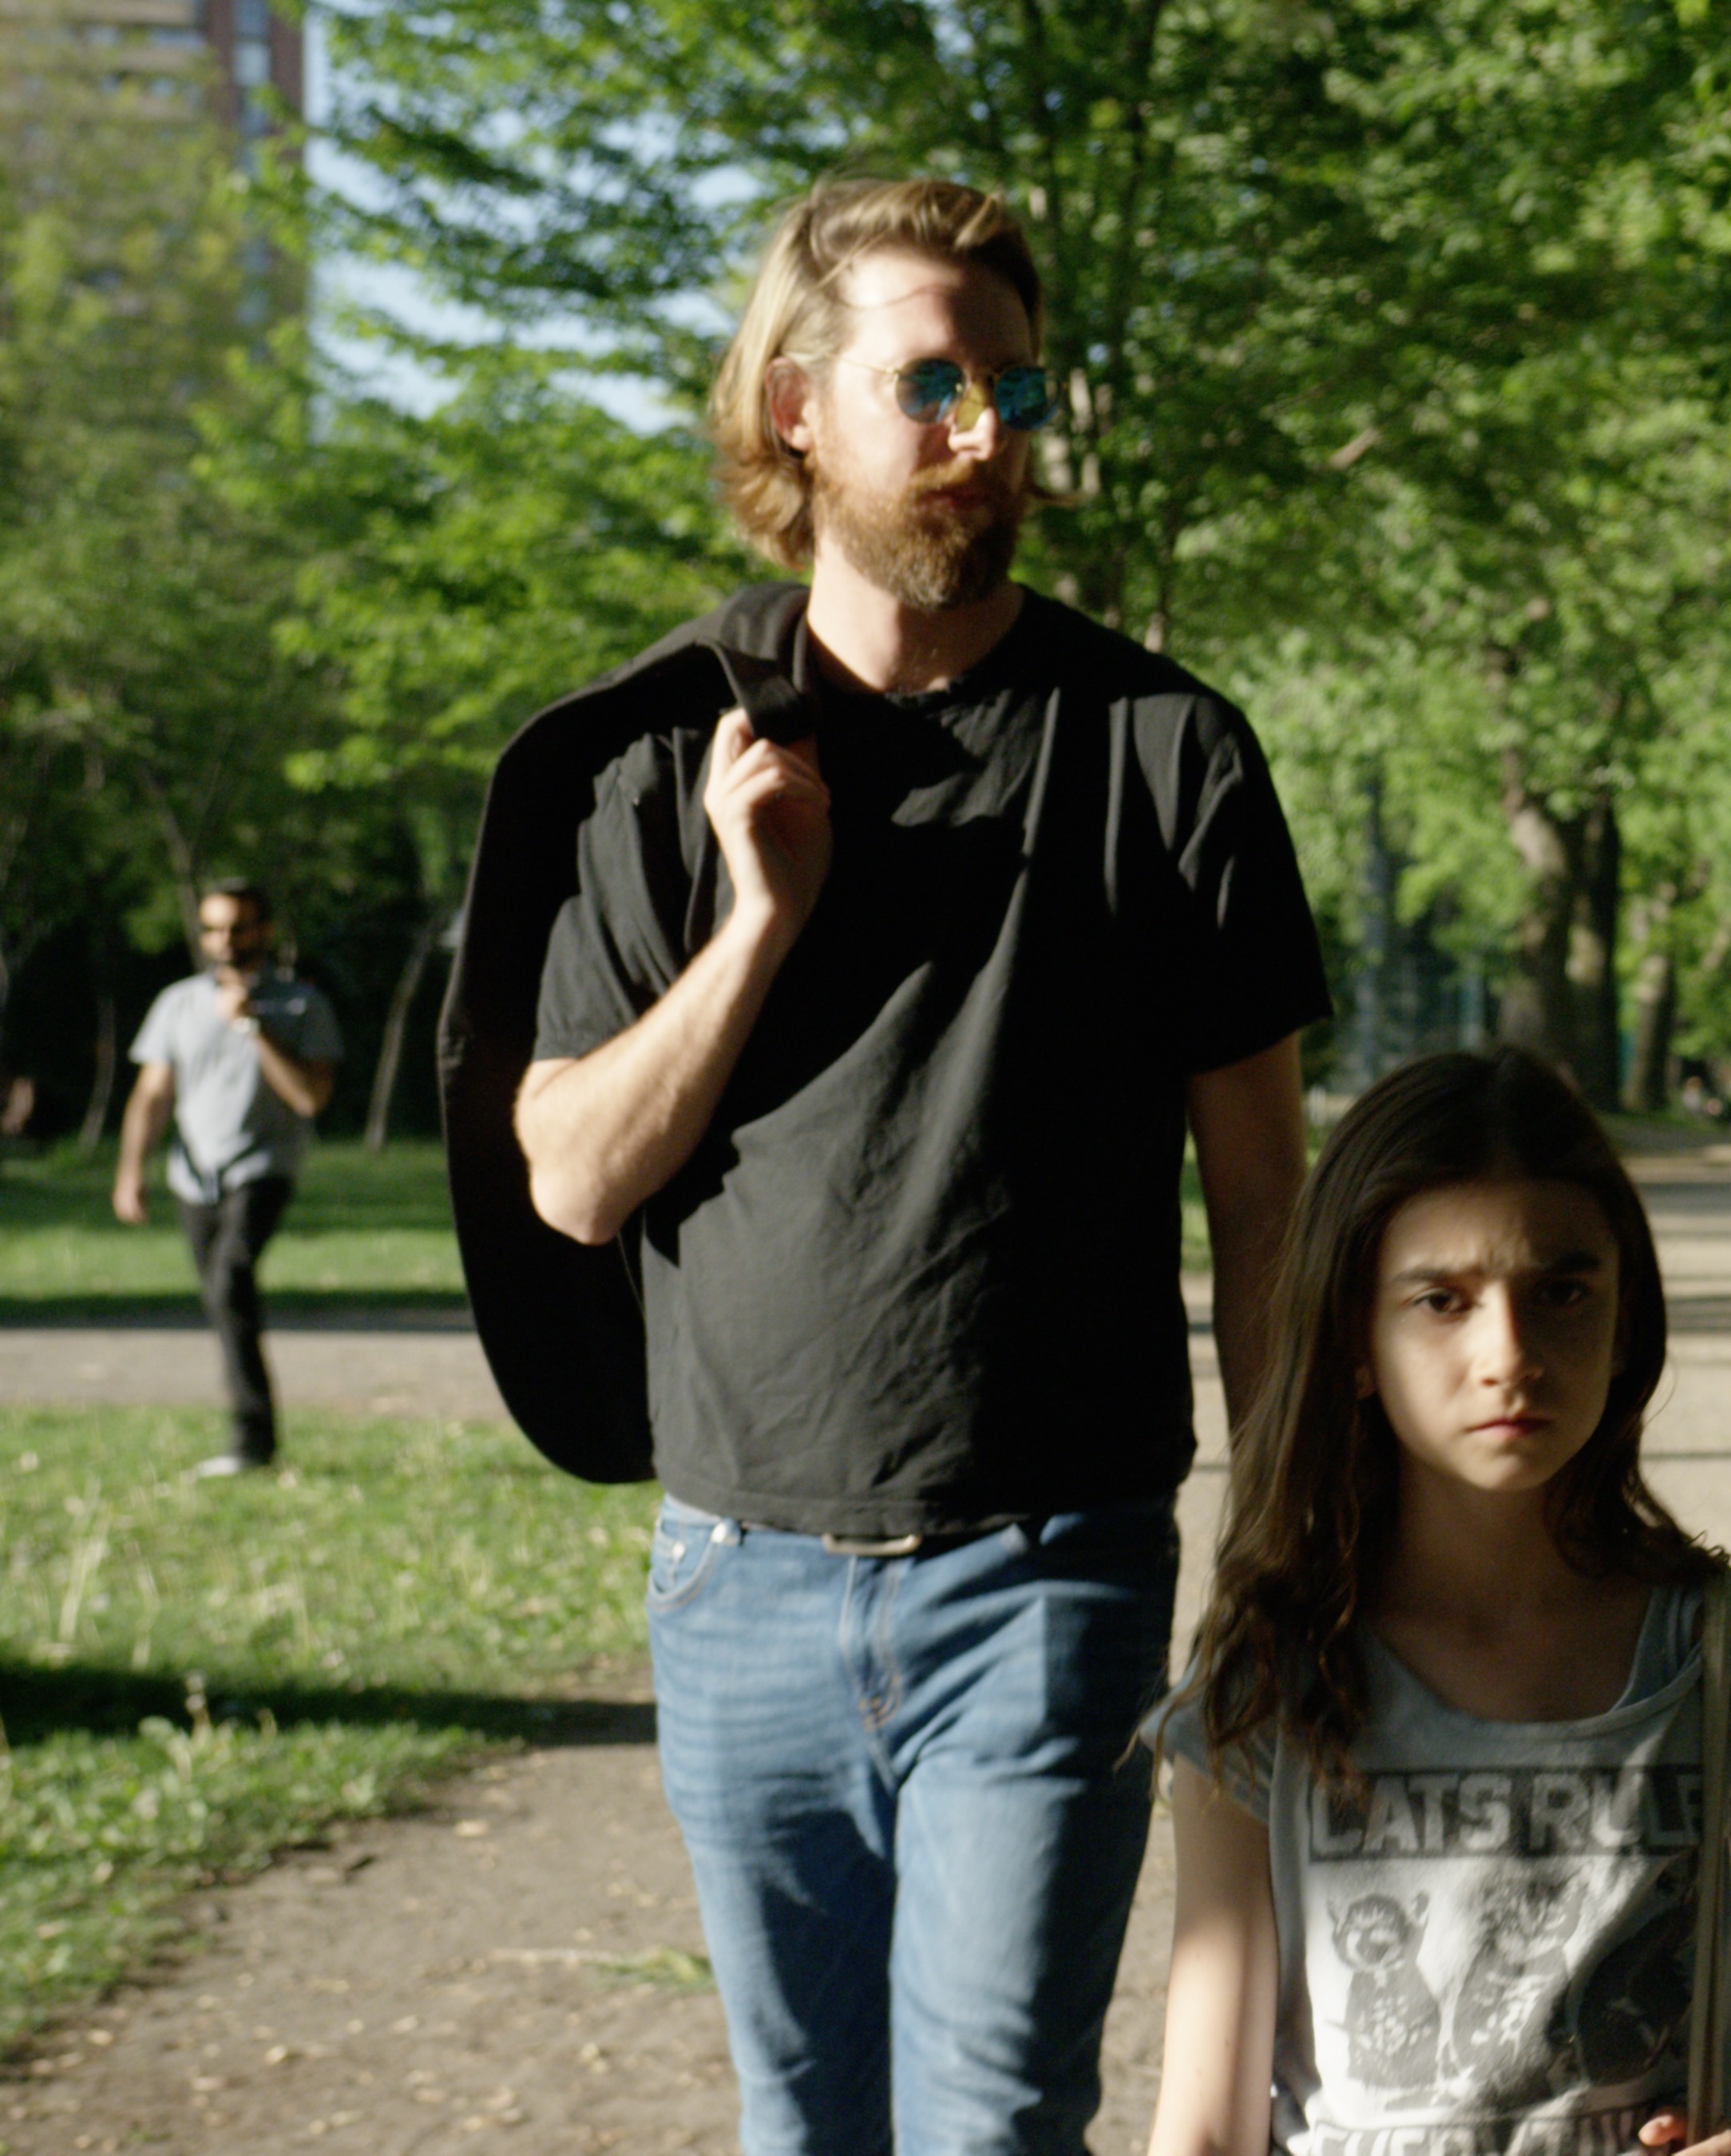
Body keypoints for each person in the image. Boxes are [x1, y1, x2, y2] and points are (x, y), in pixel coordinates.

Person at [443, 177, 1328, 2156]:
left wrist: (1283, 1544)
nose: (987, 427)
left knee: (994, 2121)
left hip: (1048, 1564)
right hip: (733, 1570)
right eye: (931, 380)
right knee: (806, 2123)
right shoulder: (655, 757)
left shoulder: (1166, 752)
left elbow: (1269, 1202)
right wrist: (758, 918)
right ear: (796, 407)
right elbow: (572, 1177)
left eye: (1014, 383)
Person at [1145, 1049, 1731, 2156]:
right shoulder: (1266, 1676)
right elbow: (1202, 2123)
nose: (1509, 1354)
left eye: (1561, 1293)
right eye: (1441, 1301)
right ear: (1352, 1341)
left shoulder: (1725, 1655)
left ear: (1626, 1324)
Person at [114, 882, 345, 1476]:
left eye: (238, 928)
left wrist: (252, 1028)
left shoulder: (302, 1005)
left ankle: (251, 1438)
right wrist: (131, 1170)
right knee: (224, 1300)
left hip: (263, 1168)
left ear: (263, 931)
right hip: (194, 1175)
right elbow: (152, 1095)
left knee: (230, 1280)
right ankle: (251, 1439)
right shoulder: (177, 1004)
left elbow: (310, 1098)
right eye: (213, 929)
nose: (225, 941)